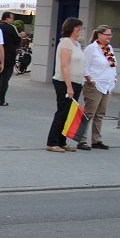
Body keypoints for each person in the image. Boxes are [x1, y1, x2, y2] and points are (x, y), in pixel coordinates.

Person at [46, 17, 84, 153]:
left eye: (80, 27)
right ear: (70, 28)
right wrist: (69, 86)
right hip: (65, 82)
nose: (79, 29)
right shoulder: (66, 42)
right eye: (77, 27)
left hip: (77, 81)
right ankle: (52, 142)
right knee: (62, 112)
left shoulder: (77, 44)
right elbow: (64, 65)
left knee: (69, 113)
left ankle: (62, 141)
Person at [77, 24, 117, 150]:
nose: (109, 37)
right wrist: (90, 79)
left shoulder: (108, 48)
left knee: (100, 114)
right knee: (89, 113)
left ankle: (96, 140)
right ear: (99, 35)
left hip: (107, 85)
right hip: (95, 85)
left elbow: (112, 65)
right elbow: (84, 66)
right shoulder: (91, 48)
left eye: (110, 34)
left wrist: (114, 80)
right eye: (107, 34)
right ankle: (81, 140)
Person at [0, 11, 21, 106]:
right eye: (11, 18)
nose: (13, 20)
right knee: (5, 79)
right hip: (9, 56)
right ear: (7, 18)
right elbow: (17, 40)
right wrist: (20, 37)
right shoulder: (11, 28)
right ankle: (1, 99)